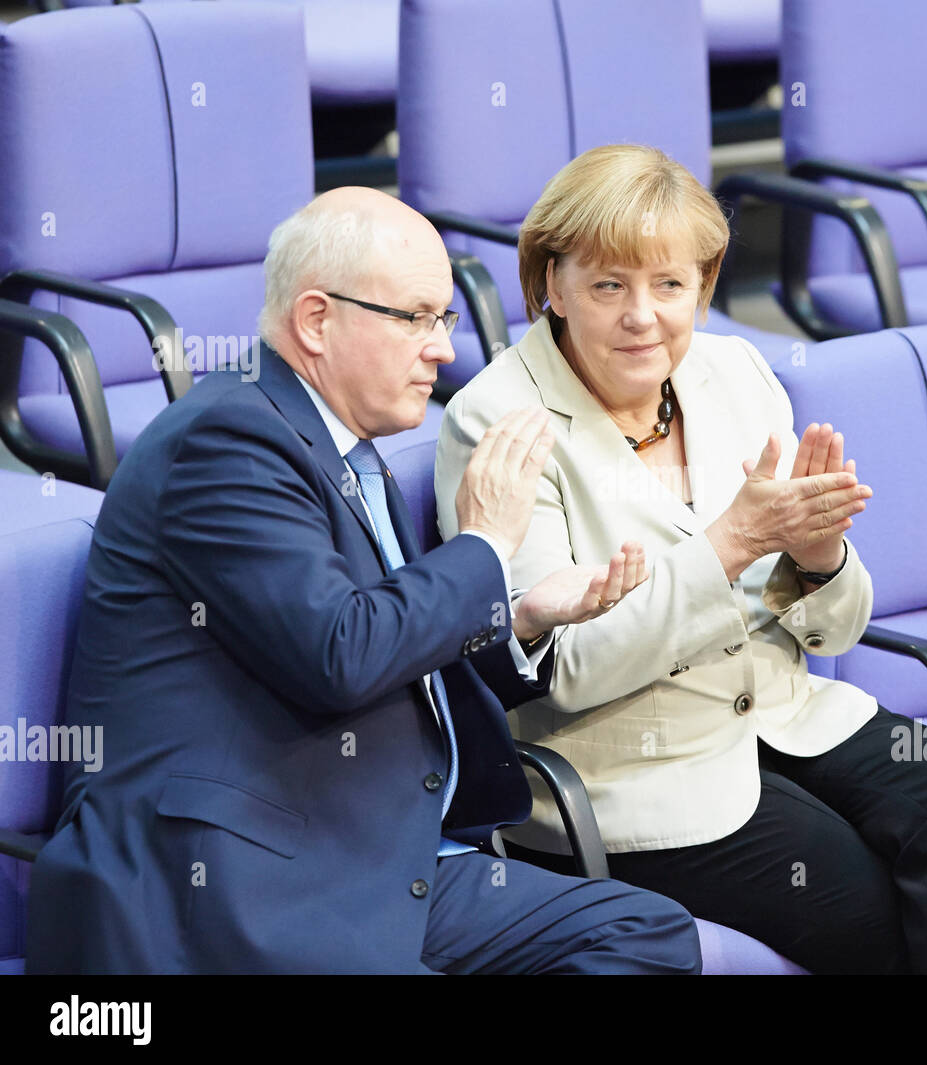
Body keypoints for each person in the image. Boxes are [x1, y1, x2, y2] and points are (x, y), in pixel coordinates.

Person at [24, 187, 701, 975]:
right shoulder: (228, 442)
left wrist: (517, 619)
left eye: (444, 319)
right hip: (253, 882)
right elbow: (339, 652)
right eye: (414, 317)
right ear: (317, 320)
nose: (443, 348)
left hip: (387, 859)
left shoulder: (344, 443)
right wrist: (483, 543)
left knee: (644, 933)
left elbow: (385, 637)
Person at [433, 145, 927, 974]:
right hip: (626, 763)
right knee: (869, 899)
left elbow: (835, 633)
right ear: (552, 283)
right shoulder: (496, 420)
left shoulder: (735, 371)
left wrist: (819, 556)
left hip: (782, 715)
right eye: (608, 284)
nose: (642, 315)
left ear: (704, 285)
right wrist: (729, 544)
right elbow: (560, 672)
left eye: (669, 285)